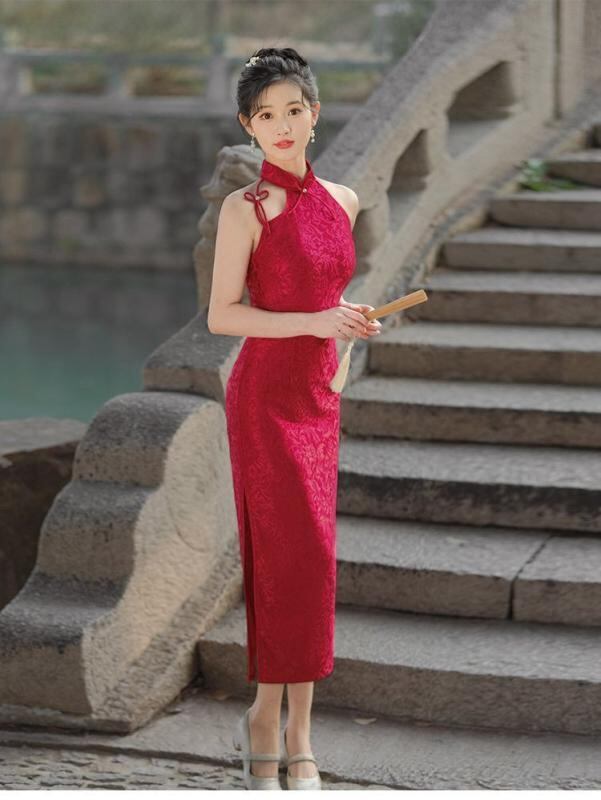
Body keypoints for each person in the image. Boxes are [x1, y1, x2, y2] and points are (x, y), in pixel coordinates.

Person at [208, 46, 382, 790]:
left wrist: (345, 325)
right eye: (264, 115)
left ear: (315, 114)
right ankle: (263, 720)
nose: (280, 126)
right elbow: (222, 316)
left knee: (312, 561)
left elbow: (327, 293)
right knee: (283, 558)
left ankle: (298, 732)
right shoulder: (244, 209)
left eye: (292, 110)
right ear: (248, 127)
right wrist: (314, 321)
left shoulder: (344, 200)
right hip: (263, 400)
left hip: (318, 395)